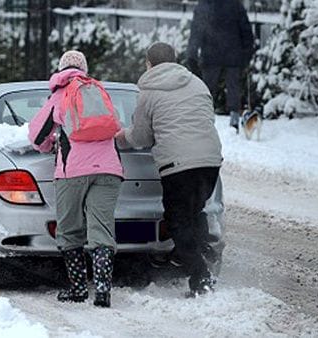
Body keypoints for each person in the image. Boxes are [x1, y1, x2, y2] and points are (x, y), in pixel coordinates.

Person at [115, 42, 223, 297]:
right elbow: (207, 118)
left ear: (148, 63)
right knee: (195, 211)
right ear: (175, 60)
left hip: (178, 165)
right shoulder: (197, 83)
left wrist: (121, 137)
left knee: (177, 221)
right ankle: (193, 254)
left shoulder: (148, 92)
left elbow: (141, 136)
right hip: (210, 160)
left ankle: (200, 278)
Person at [28, 50, 123, 308]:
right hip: (109, 170)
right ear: (84, 68)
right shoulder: (98, 90)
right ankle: (103, 290)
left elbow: (37, 137)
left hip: (73, 172)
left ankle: (79, 289)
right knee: (101, 229)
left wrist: (50, 143)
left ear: (61, 68)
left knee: (70, 230)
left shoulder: (60, 95)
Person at [186, 0, 254, 133]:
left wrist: (192, 53)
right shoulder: (235, 4)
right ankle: (234, 120)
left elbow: (197, 30)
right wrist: (248, 52)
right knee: (233, 88)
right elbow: (245, 29)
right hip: (233, 52)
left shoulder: (205, 5)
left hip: (211, 53)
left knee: (206, 89)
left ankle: (202, 120)